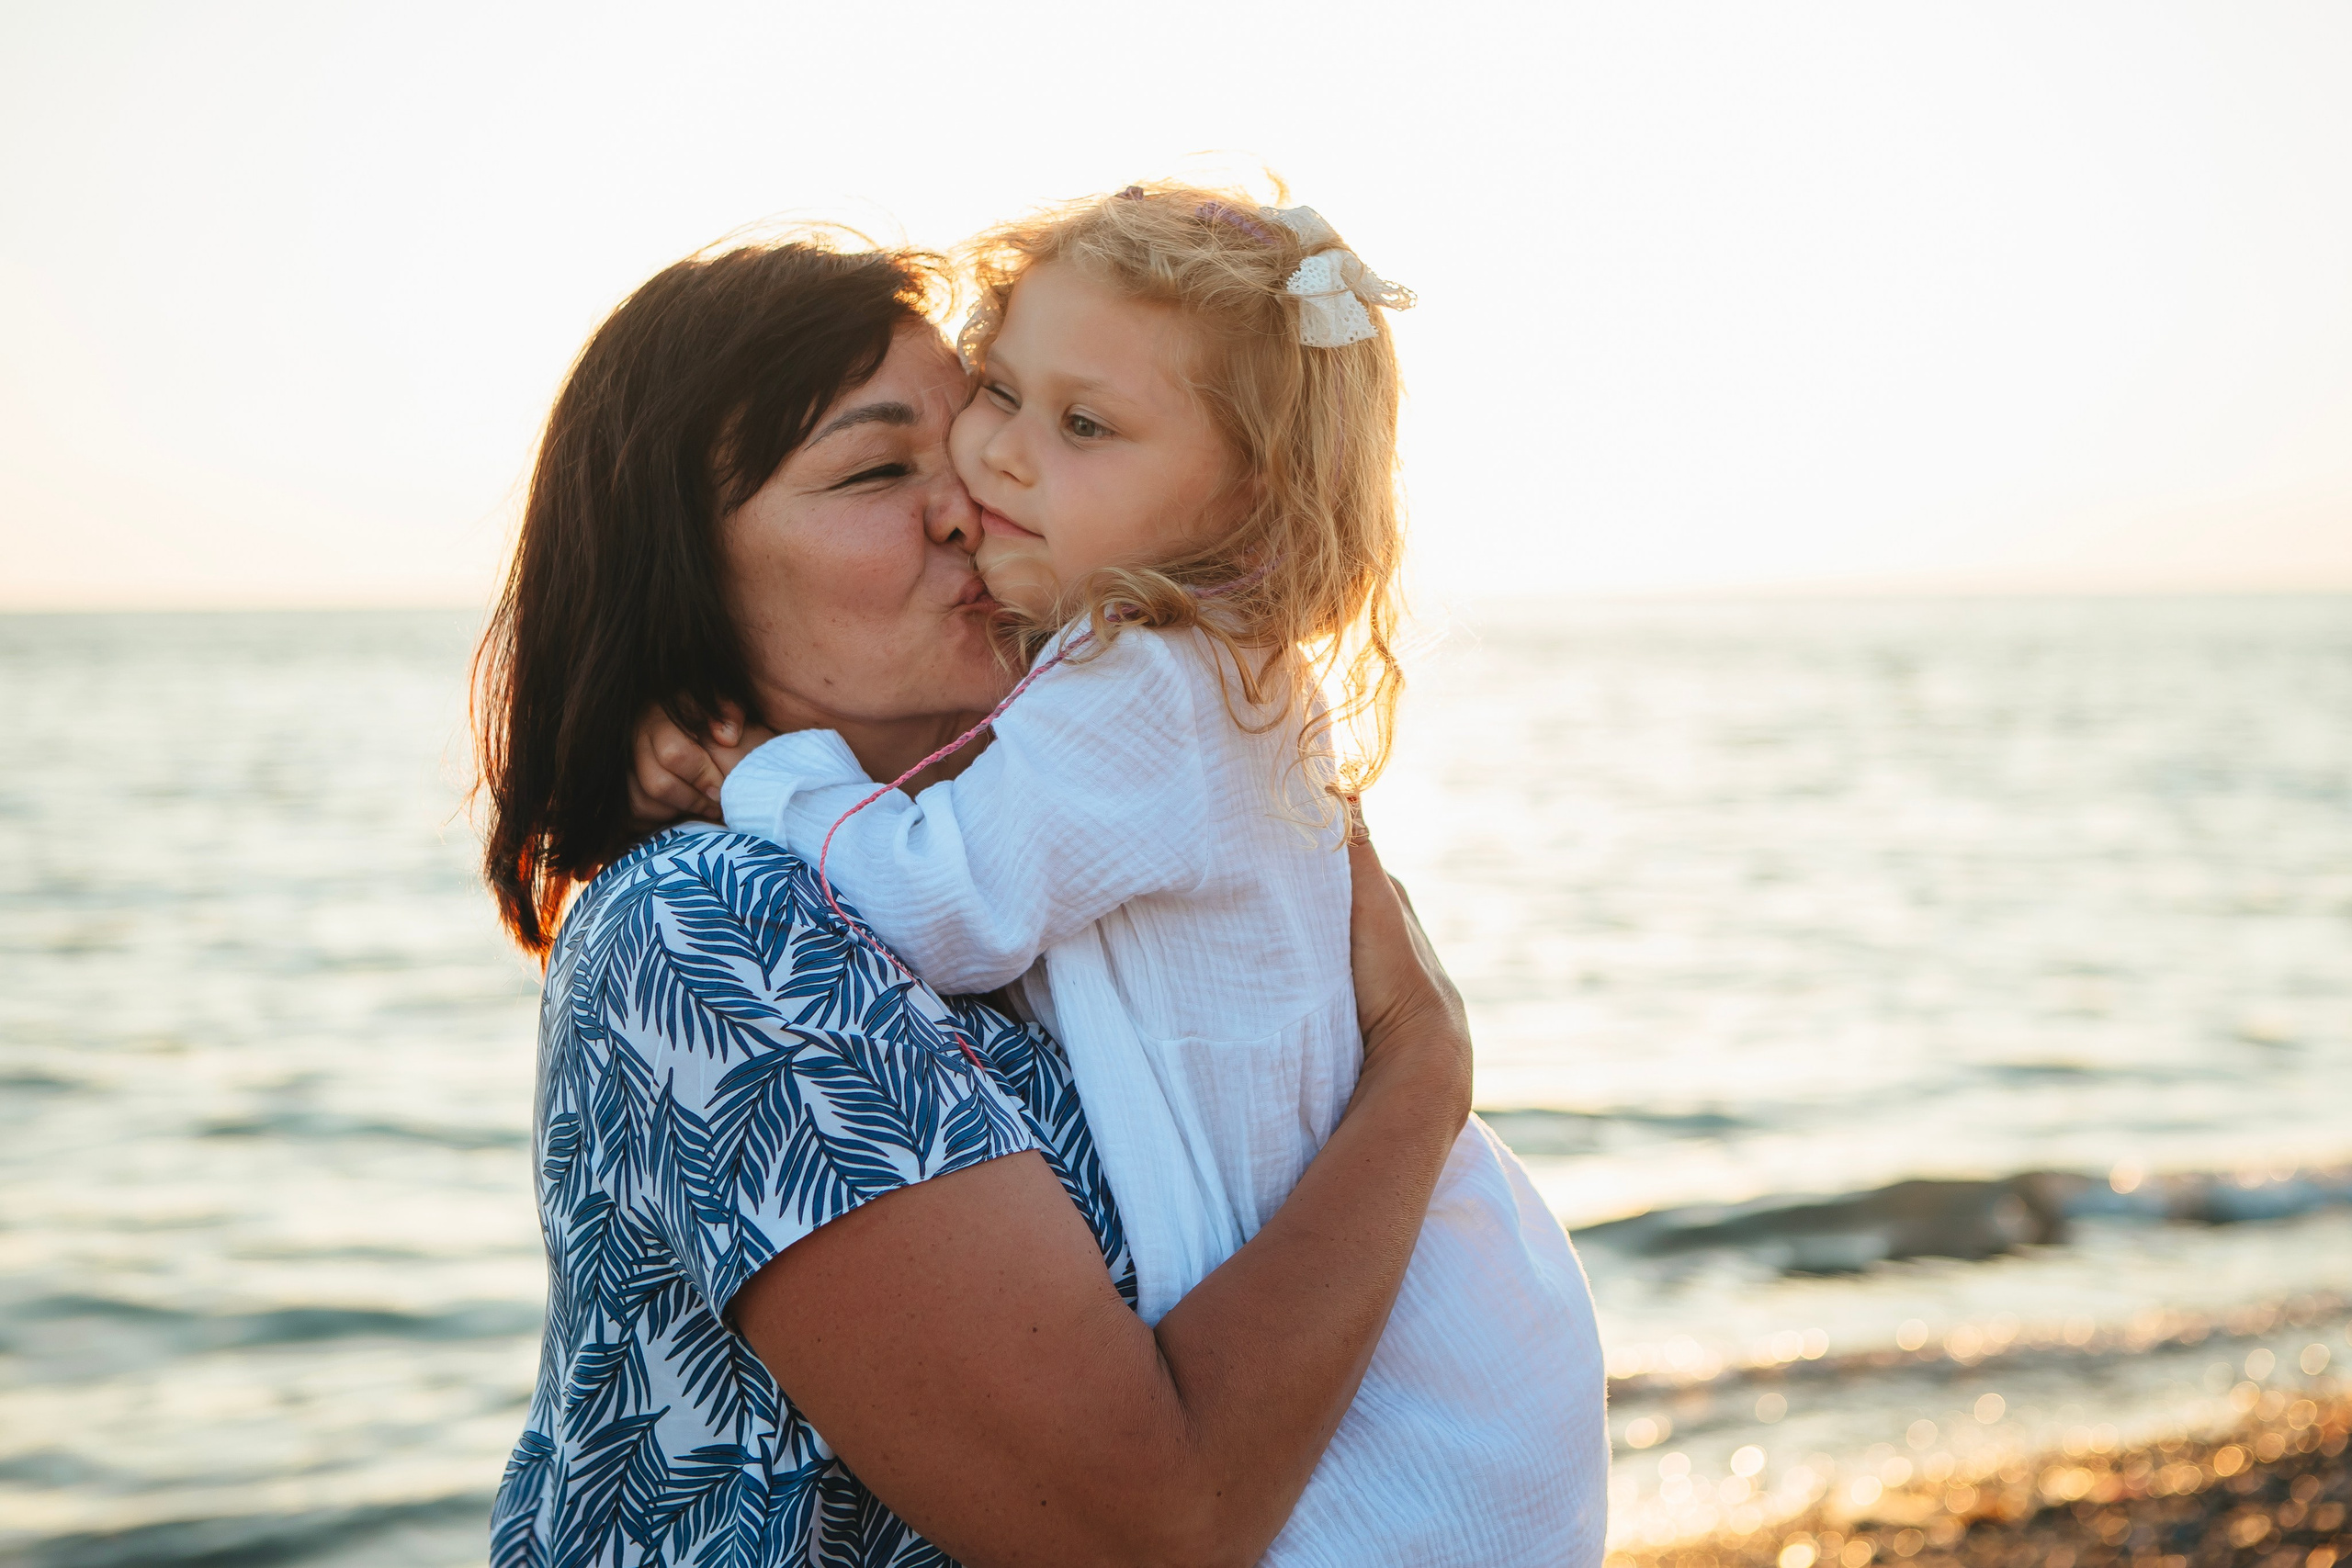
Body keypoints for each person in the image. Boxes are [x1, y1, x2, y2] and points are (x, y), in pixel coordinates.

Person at [474, 233, 1492, 1568]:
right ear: (676, 568)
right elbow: (1148, 1532)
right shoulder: (713, 922)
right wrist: (1422, 1075)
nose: (975, 497)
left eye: (978, 428)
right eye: (876, 470)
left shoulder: (1056, 874)